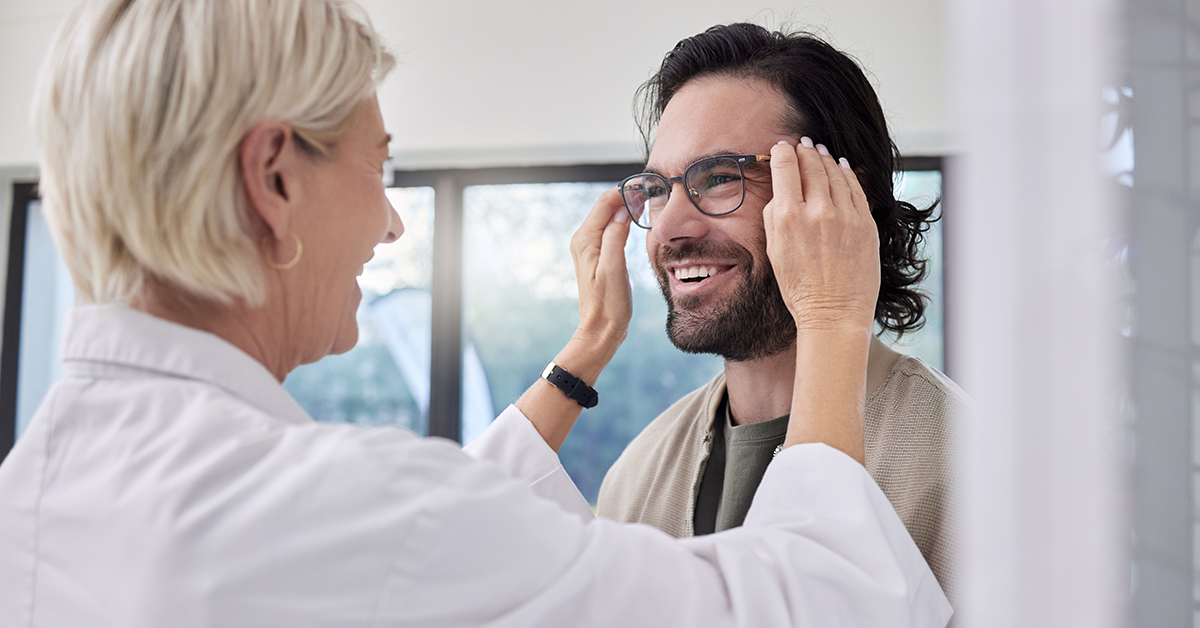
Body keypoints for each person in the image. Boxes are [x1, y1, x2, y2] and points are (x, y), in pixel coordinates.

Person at [0, 1, 951, 626]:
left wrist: (583, 356)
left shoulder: (33, 499)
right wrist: (833, 318)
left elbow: (451, 531)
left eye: (718, 178)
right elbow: (824, 594)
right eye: (377, 169)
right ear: (275, 178)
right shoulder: (365, 510)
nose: (390, 220)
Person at [592, 24, 971, 606]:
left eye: (718, 179)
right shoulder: (636, 477)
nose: (668, 227)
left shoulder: (968, 463)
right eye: (659, 188)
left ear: (839, 198)